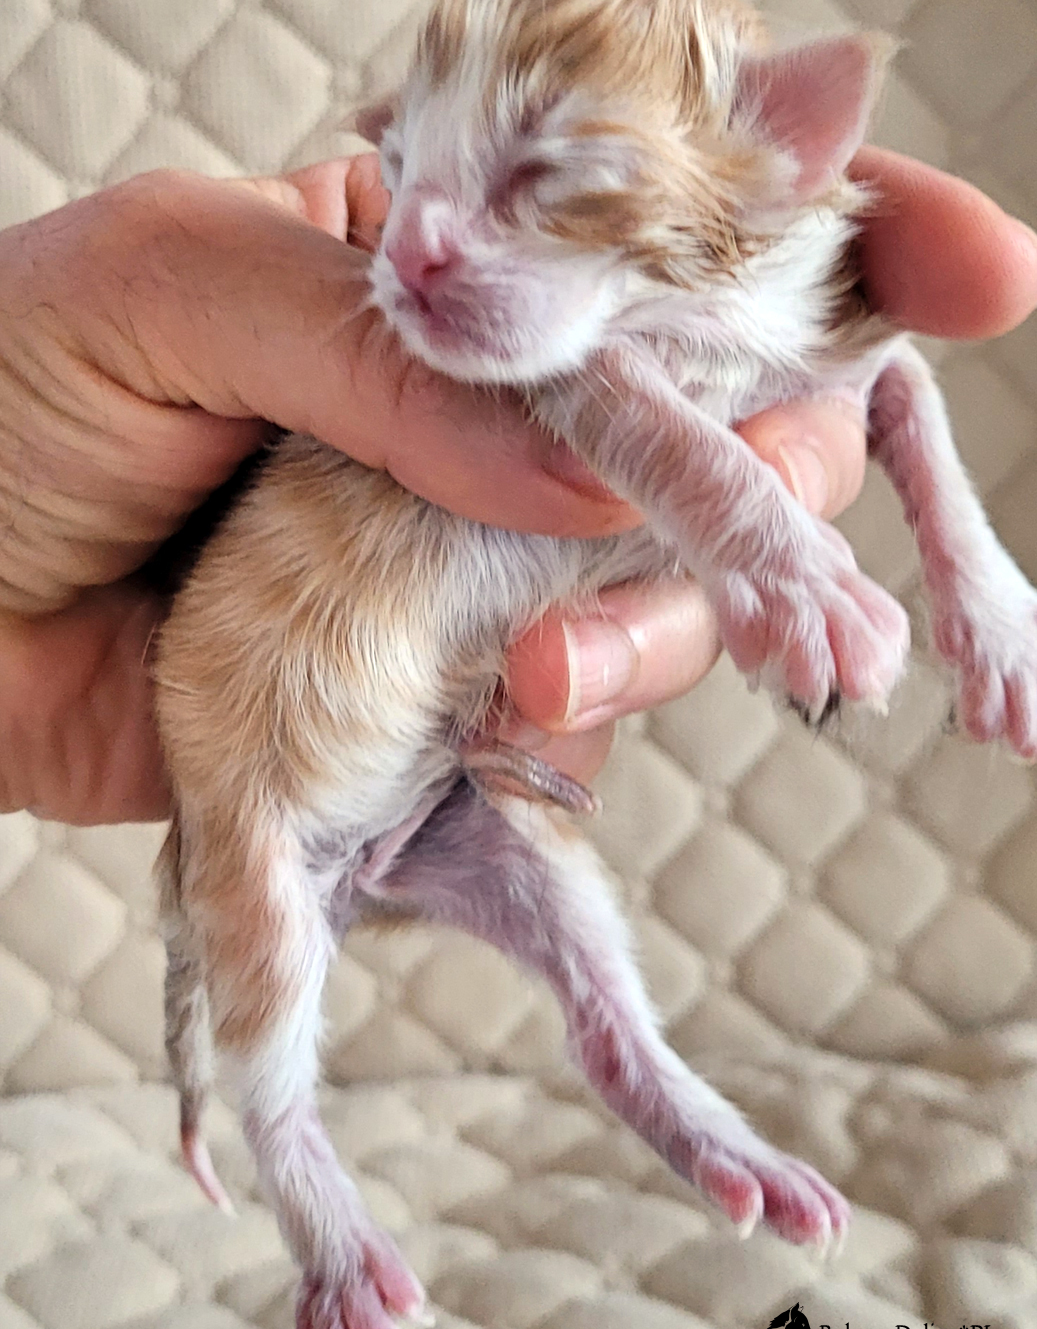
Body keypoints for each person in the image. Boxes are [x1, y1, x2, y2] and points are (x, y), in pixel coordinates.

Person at [0, 151, 1034, 826]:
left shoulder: (762, 254)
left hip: (282, 679)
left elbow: (876, 366)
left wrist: (967, 576)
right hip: (287, 633)